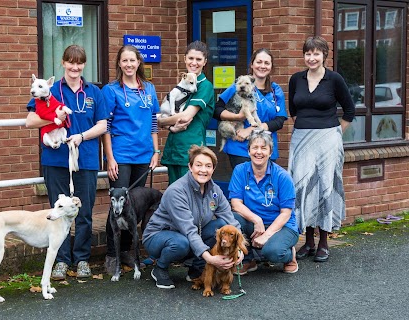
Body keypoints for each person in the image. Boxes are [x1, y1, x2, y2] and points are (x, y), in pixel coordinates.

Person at [26, 45, 109, 280]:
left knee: (84, 211)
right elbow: (30, 121)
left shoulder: (94, 92)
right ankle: (61, 260)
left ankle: (82, 259)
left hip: (87, 158)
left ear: (84, 65)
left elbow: (103, 125)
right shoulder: (49, 90)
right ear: (63, 63)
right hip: (56, 158)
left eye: (79, 63)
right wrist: (55, 117)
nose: (75, 67)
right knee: (58, 211)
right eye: (70, 62)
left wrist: (82, 136)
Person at [288, 36, 355, 262]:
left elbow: (349, 111)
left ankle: (324, 242)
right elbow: (293, 110)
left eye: (316, 53)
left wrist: (334, 135)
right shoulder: (296, 79)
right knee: (303, 187)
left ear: (325, 55)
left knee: (326, 187)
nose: (312, 57)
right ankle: (307, 242)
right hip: (302, 139)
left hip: (328, 140)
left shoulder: (334, 79)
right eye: (308, 53)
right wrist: (308, 133)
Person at [142, 145, 243, 289]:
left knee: (220, 225)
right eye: (198, 165)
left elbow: (230, 220)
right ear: (190, 166)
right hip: (158, 237)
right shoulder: (177, 191)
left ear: (213, 169)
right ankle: (160, 268)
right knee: (181, 243)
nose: (203, 170)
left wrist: (239, 250)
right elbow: (188, 230)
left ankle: (196, 268)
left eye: (208, 166)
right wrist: (210, 259)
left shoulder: (215, 191)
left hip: (190, 234)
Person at [101, 45, 160, 275]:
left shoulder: (150, 89)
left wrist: (156, 151)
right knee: (116, 205)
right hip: (121, 155)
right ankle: (111, 254)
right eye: (124, 61)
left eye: (132, 60)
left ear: (138, 63)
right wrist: (110, 158)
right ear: (119, 63)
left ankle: (125, 250)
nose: (128, 64)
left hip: (143, 155)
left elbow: (154, 122)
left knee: (131, 208)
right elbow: (105, 125)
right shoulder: (111, 90)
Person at [229, 129, 299, 274]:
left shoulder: (282, 176)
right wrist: (256, 220)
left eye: (263, 148)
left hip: (281, 225)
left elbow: (286, 213)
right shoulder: (240, 171)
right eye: (255, 147)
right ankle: (248, 260)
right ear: (248, 151)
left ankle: (289, 256)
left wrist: (266, 235)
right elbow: (235, 204)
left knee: (272, 252)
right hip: (253, 224)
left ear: (270, 152)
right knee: (231, 219)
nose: (258, 152)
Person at [213, 48, 287, 168]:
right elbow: (217, 110)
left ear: (271, 67)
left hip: (266, 149)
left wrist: (252, 130)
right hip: (240, 148)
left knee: (267, 186)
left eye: (266, 63)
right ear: (252, 64)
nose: (262, 66)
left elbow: (279, 121)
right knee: (244, 185)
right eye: (259, 62)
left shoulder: (275, 90)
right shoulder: (238, 86)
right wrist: (237, 117)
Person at [158, 40, 215, 185]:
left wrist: (161, 121)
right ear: (184, 59)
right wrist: (169, 125)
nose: (194, 63)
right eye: (190, 58)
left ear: (205, 62)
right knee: (173, 195)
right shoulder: (183, 83)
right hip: (175, 147)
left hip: (192, 149)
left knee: (190, 195)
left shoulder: (205, 86)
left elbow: (186, 116)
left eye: (198, 59)